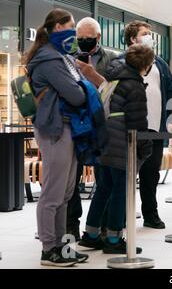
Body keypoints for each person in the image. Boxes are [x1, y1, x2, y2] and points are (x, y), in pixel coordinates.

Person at [26, 8, 91, 266]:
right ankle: (48, 249)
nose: (74, 32)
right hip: (54, 129)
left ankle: (62, 247)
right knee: (53, 193)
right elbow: (76, 94)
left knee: (65, 192)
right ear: (56, 28)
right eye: (70, 26)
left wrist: (80, 88)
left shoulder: (62, 57)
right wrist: (82, 90)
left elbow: (77, 89)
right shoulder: (49, 59)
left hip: (67, 128)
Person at [79, 44, 154, 254]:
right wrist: (144, 147)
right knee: (121, 191)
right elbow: (137, 122)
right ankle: (113, 239)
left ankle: (91, 234)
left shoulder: (113, 79)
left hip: (104, 142)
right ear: (146, 66)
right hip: (122, 144)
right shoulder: (135, 86)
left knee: (104, 188)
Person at [114, 21, 172, 230]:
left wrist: (171, 120)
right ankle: (120, 215)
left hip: (154, 128)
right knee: (125, 174)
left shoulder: (160, 64)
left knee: (151, 174)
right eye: (145, 33)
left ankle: (151, 213)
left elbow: (171, 91)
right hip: (128, 128)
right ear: (133, 39)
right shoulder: (120, 62)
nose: (150, 37)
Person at [66, 17, 118, 241]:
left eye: (88, 38)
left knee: (105, 179)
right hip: (75, 125)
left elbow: (116, 90)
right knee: (71, 179)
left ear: (98, 37)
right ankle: (70, 226)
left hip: (102, 126)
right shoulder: (67, 58)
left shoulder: (113, 59)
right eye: (80, 39)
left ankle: (102, 226)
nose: (84, 42)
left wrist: (93, 75)